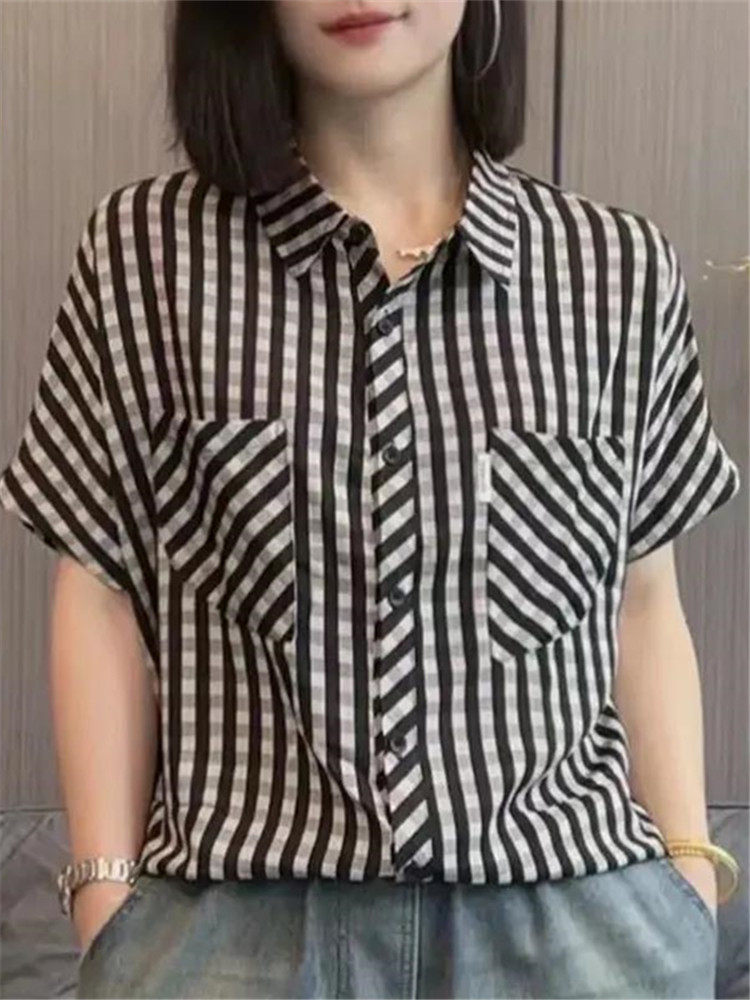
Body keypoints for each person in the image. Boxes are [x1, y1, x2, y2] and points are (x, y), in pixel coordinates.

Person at [0, 1, 741, 997]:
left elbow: (642, 602)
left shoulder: (615, 272)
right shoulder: (143, 258)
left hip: (575, 928)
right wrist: (104, 896)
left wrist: (689, 874)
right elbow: (99, 588)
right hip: (237, 933)